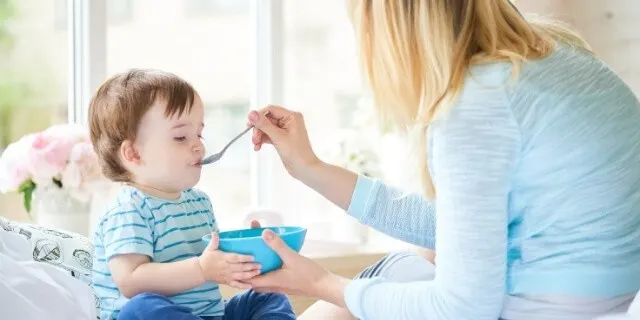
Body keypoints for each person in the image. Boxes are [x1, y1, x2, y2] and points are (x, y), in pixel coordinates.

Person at [240, 1, 640, 319]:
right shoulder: (560, 59)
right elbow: (460, 226)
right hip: (603, 300)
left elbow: (462, 309)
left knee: (385, 278)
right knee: (401, 270)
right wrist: (310, 168)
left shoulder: (479, 101)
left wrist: (322, 282)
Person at [88, 69, 296, 320]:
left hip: (209, 315)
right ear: (133, 154)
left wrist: (248, 253)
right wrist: (200, 269)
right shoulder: (128, 209)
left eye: (199, 133)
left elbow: (214, 263)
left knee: (267, 297)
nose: (198, 145)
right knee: (142, 308)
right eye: (180, 137)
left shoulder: (199, 202)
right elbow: (131, 281)